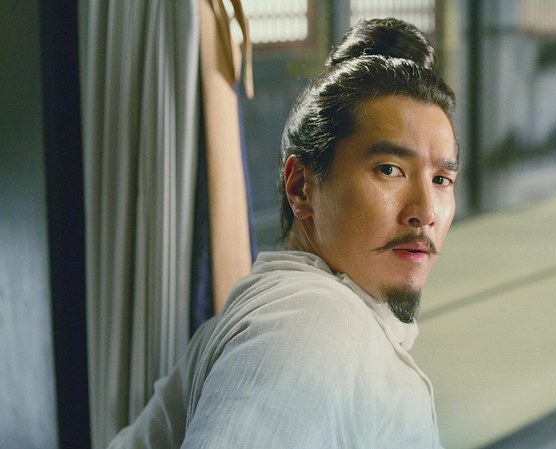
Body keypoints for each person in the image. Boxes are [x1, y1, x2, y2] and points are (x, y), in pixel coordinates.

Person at [108, 17, 457, 448]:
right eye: (389, 170)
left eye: (441, 179)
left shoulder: (271, 311)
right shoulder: (314, 324)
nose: (426, 212)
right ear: (301, 187)